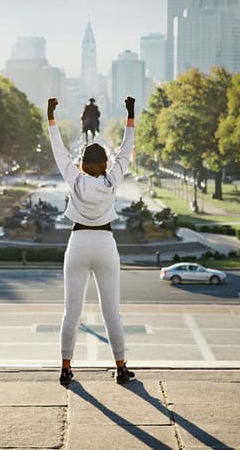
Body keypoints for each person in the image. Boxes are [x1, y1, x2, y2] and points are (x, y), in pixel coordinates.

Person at [47, 95, 136, 385]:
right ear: (106, 163)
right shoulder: (111, 182)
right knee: (112, 312)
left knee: (71, 312)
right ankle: (121, 368)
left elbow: (59, 151)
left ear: (83, 163)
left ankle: (65, 368)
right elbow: (126, 150)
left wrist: (51, 118)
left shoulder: (74, 179)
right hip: (105, 244)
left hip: (78, 243)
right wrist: (130, 116)